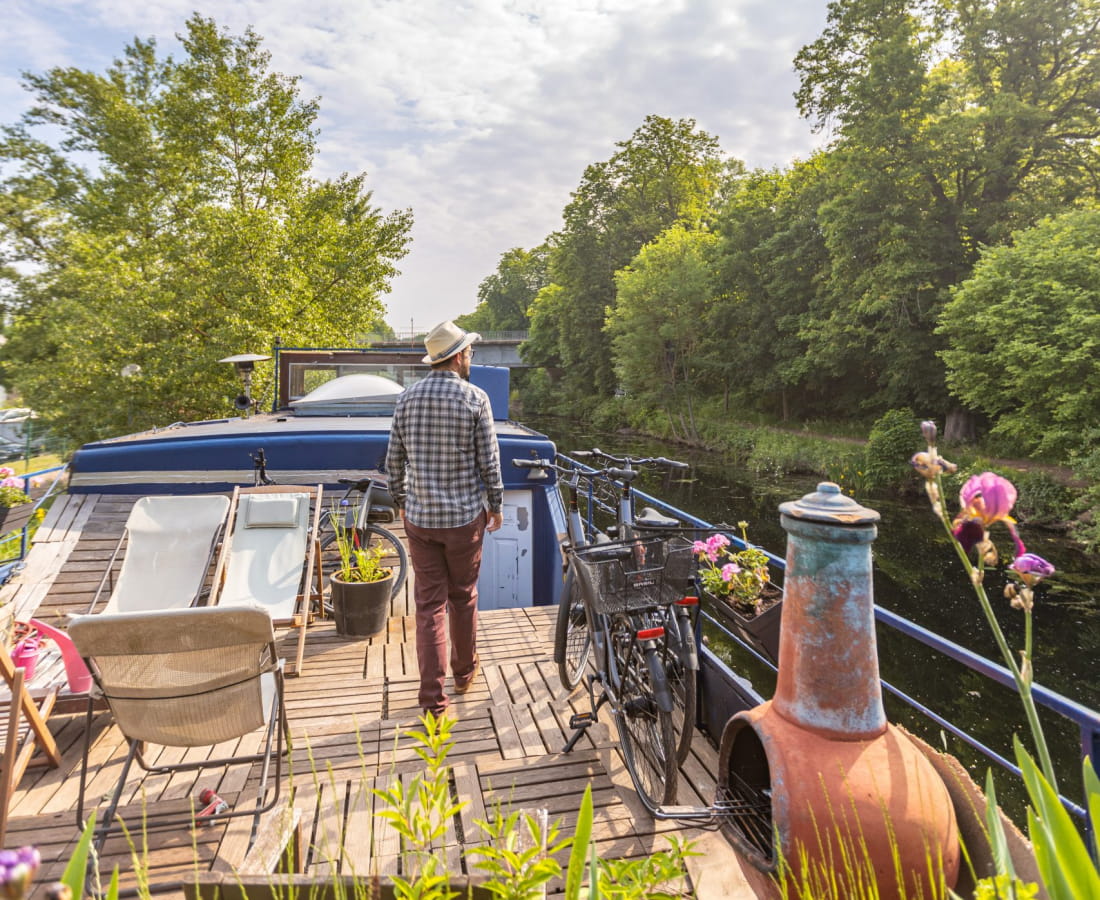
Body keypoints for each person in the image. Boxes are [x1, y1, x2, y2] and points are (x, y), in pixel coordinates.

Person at [385, 321, 504, 717]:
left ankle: (432, 701)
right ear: (456, 357)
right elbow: (489, 460)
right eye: (469, 352)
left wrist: (401, 500)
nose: (471, 358)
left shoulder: (406, 399)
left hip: (420, 520)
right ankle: (464, 672)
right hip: (463, 519)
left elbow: (394, 461)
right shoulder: (476, 398)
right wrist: (497, 504)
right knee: (463, 596)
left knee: (429, 606)